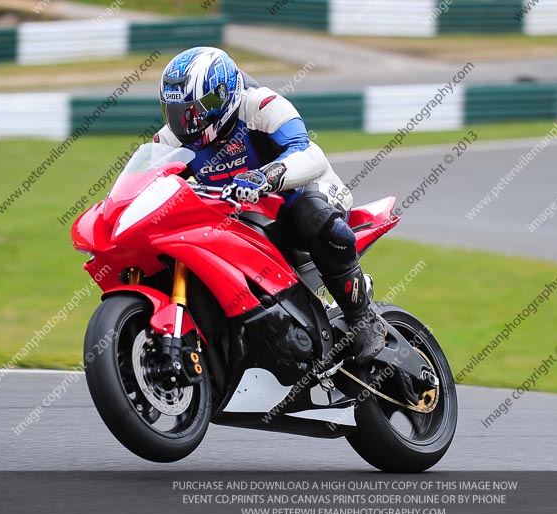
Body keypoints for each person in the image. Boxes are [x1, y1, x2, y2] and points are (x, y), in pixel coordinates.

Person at [152, 46, 385, 364]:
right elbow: (149, 182)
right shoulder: (168, 140)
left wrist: (266, 176)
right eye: (178, 113)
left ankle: (363, 317)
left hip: (300, 192)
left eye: (194, 112)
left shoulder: (261, 105)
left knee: (312, 217)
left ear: (221, 97)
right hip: (235, 213)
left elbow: (308, 153)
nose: (186, 123)